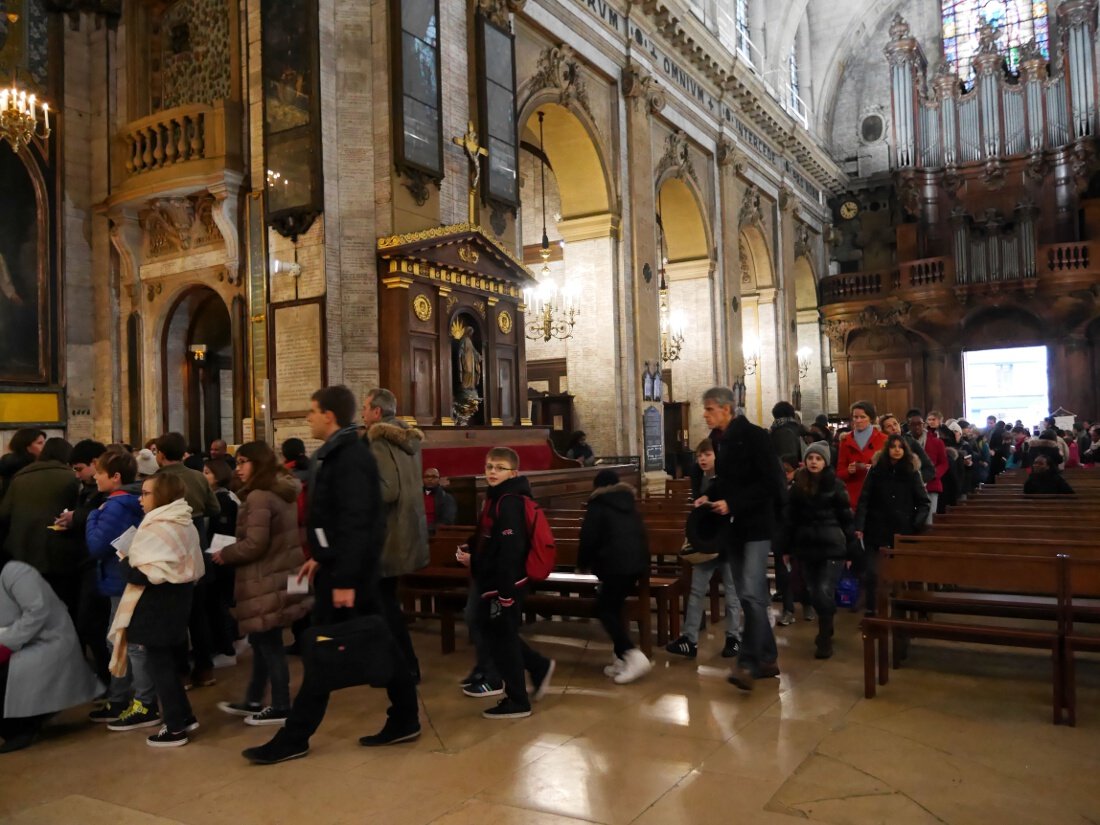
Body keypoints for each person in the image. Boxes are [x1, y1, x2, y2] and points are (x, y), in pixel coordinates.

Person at [242, 385, 420, 764]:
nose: (307, 417)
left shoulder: (352, 456)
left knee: (321, 649)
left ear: (329, 415)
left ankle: (296, 736)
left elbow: (359, 522)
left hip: (349, 575)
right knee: (380, 643)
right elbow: (334, 518)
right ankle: (405, 717)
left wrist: (342, 579)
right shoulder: (337, 453)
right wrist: (321, 557)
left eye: (311, 411)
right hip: (342, 568)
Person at [212, 441, 309, 727]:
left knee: (269, 644)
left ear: (259, 463)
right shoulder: (283, 489)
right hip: (280, 574)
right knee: (263, 640)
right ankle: (254, 699)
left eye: (243, 462)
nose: (238, 468)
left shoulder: (260, 497)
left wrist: (225, 553)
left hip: (265, 577)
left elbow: (255, 544)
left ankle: (280, 705)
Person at [698, 387, 786, 692]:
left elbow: (771, 483)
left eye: (709, 409)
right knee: (753, 596)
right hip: (733, 530)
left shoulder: (754, 436)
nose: (705, 414)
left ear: (727, 409)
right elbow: (726, 480)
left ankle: (747, 663)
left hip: (757, 526)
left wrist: (734, 503)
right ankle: (768, 657)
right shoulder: (721, 442)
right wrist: (708, 495)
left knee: (749, 594)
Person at [107, 472, 204, 747]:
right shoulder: (183, 520)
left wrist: (125, 560)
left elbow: (144, 574)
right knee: (168, 665)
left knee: (160, 668)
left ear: (161, 495)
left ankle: (174, 728)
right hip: (176, 601)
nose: (140, 499)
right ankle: (184, 716)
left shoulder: (159, 526)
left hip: (156, 604)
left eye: (147, 493)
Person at [465, 447, 555, 718]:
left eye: (499, 467)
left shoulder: (510, 502)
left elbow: (510, 551)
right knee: (496, 634)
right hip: (494, 580)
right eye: (489, 466)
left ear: (513, 472)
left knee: (502, 639)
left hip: (507, 583)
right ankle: (538, 666)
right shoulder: (495, 497)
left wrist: (504, 594)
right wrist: (472, 551)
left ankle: (518, 700)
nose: (492, 471)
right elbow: (488, 536)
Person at [0, 549, 102, 752]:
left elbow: (37, 611)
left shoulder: (15, 572)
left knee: (7, 676)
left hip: (47, 641)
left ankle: (20, 727)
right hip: (21, 640)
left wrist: (5, 641)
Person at [85, 450, 157, 728]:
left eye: (99, 473)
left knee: (125, 643)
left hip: (121, 578)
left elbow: (97, 546)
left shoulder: (113, 506)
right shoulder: (134, 500)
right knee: (121, 641)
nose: (95, 477)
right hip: (126, 576)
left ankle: (140, 702)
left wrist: (92, 517)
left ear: (115, 477)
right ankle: (124, 698)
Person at [363, 387, 429, 683]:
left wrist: (357, 492)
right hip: (408, 530)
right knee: (386, 602)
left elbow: (387, 491)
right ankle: (399, 665)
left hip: (388, 534)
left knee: (383, 604)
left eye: (365, 408)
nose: (362, 414)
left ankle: (403, 667)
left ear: (377, 412)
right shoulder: (410, 440)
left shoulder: (378, 441)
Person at [775, 443, 854, 659]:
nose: (814, 462)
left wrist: (851, 551)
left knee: (822, 590)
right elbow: (789, 520)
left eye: (818, 458)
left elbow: (846, 519)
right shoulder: (798, 486)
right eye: (810, 458)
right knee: (808, 591)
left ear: (825, 462)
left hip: (832, 546)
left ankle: (824, 638)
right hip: (806, 546)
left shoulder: (836, 485)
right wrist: (785, 548)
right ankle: (827, 621)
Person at [155, 432, 220, 688]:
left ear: (160, 453)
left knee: (175, 614)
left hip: (169, 548)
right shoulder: (197, 477)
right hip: (198, 544)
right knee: (198, 612)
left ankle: (181, 672)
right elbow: (215, 508)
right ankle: (205, 669)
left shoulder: (156, 481)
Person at [667, 439, 742, 658]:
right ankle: (689, 639)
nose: (702, 459)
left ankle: (733, 638)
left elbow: (736, 501)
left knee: (731, 592)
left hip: (728, 539)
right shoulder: (697, 475)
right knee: (697, 589)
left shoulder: (728, 474)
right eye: (700, 455)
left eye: (707, 454)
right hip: (706, 540)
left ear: (716, 456)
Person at [579, 469, 651, 683]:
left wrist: (582, 564)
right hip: (635, 564)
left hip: (614, 565)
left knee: (603, 609)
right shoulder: (629, 504)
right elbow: (641, 534)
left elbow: (588, 537)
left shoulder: (598, 504)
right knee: (615, 607)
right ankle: (621, 660)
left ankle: (632, 655)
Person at [0, 438, 81, 616]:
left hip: (24, 554)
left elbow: (4, 514)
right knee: (64, 605)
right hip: (62, 555)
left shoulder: (20, 477)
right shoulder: (71, 478)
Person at [853, 434, 930, 615]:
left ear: (905, 450)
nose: (896, 450)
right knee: (872, 572)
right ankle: (871, 610)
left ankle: (907, 609)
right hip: (876, 525)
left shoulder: (911, 471)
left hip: (902, 528)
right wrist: (859, 526)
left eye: (900, 447)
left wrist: (915, 524)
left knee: (903, 572)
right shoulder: (876, 470)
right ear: (887, 449)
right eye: (893, 446)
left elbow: (924, 502)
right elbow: (864, 498)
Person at [203, 457, 241, 660]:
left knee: (219, 604)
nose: (203, 476)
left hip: (220, 559)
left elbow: (225, 531)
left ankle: (226, 647)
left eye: (207, 472)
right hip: (219, 557)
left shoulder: (224, 500)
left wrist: (217, 555)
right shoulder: (219, 497)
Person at [836, 401, 887, 511]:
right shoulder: (845, 440)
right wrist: (848, 471)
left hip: (877, 495)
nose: (858, 420)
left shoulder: (884, 440)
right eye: (855, 417)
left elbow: (889, 470)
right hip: (853, 497)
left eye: (862, 417)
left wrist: (872, 469)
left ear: (871, 418)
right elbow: (839, 473)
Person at [907, 413, 948, 523]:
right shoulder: (904, 442)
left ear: (924, 425)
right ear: (909, 426)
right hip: (909, 485)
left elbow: (944, 463)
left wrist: (933, 474)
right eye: (913, 424)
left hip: (931, 484)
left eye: (919, 424)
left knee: (928, 521)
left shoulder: (936, 442)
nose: (917, 427)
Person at [0, 428, 45, 499]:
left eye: (44, 443)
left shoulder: (7, 463)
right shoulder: (29, 467)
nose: (44, 447)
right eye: (39, 443)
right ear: (27, 447)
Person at [423, 467, 457, 534]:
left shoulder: (447, 498)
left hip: (436, 534)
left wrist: (428, 529)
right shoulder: (416, 496)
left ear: (439, 479)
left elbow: (447, 521)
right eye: (427, 477)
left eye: (434, 477)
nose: (430, 479)